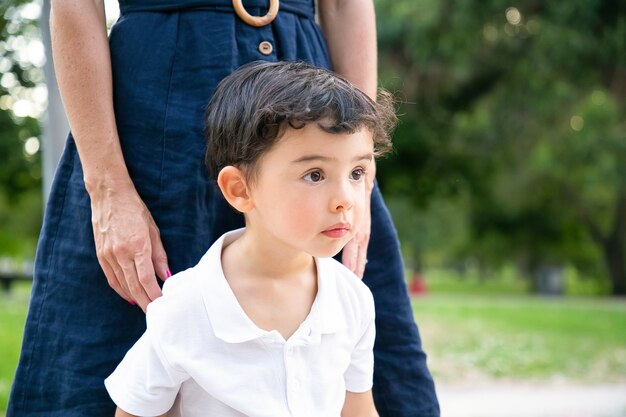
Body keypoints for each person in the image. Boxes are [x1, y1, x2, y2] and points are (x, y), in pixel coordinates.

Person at [8, 0, 439, 416]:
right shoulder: (180, 309)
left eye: (356, 176)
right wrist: (108, 186)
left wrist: (357, 162)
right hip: (155, 102)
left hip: (314, 101)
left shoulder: (351, 285)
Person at [106, 59, 390, 417]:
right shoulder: (186, 308)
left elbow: (359, 410)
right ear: (239, 189)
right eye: (315, 175)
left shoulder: (352, 299)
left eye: (357, 172)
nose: (346, 199)